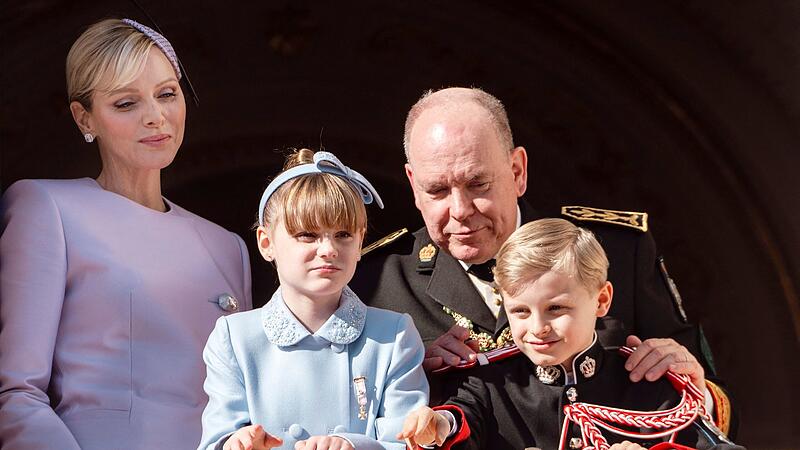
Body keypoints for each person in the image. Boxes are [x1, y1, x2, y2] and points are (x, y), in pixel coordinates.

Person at [349, 87, 732, 435]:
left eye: (478, 184)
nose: (460, 210)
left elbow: (709, 404)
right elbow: (349, 422)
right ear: (413, 185)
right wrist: (411, 372)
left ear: (517, 172)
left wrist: (694, 385)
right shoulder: (374, 282)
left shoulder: (617, 251)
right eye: (436, 190)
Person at [0, 19, 252, 450]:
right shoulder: (46, 208)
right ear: (85, 118)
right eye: (125, 103)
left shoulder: (228, 247)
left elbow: (244, 405)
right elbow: (15, 395)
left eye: (167, 94)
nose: (155, 117)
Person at [398, 218, 740, 450]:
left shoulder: (651, 387)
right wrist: (437, 425)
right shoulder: (489, 385)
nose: (538, 328)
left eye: (556, 308)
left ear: (602, 299)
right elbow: (461, 420)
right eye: (520, 311)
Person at [197, 149, 428, 450]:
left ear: (360, 241)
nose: (328, 249)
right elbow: (217, 438)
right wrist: (235, 444)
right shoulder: (235, 338)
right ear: (267, 243)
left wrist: (351, 445)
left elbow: (410, 439)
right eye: (307, 235)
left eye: (343, 234)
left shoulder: (394, 334)